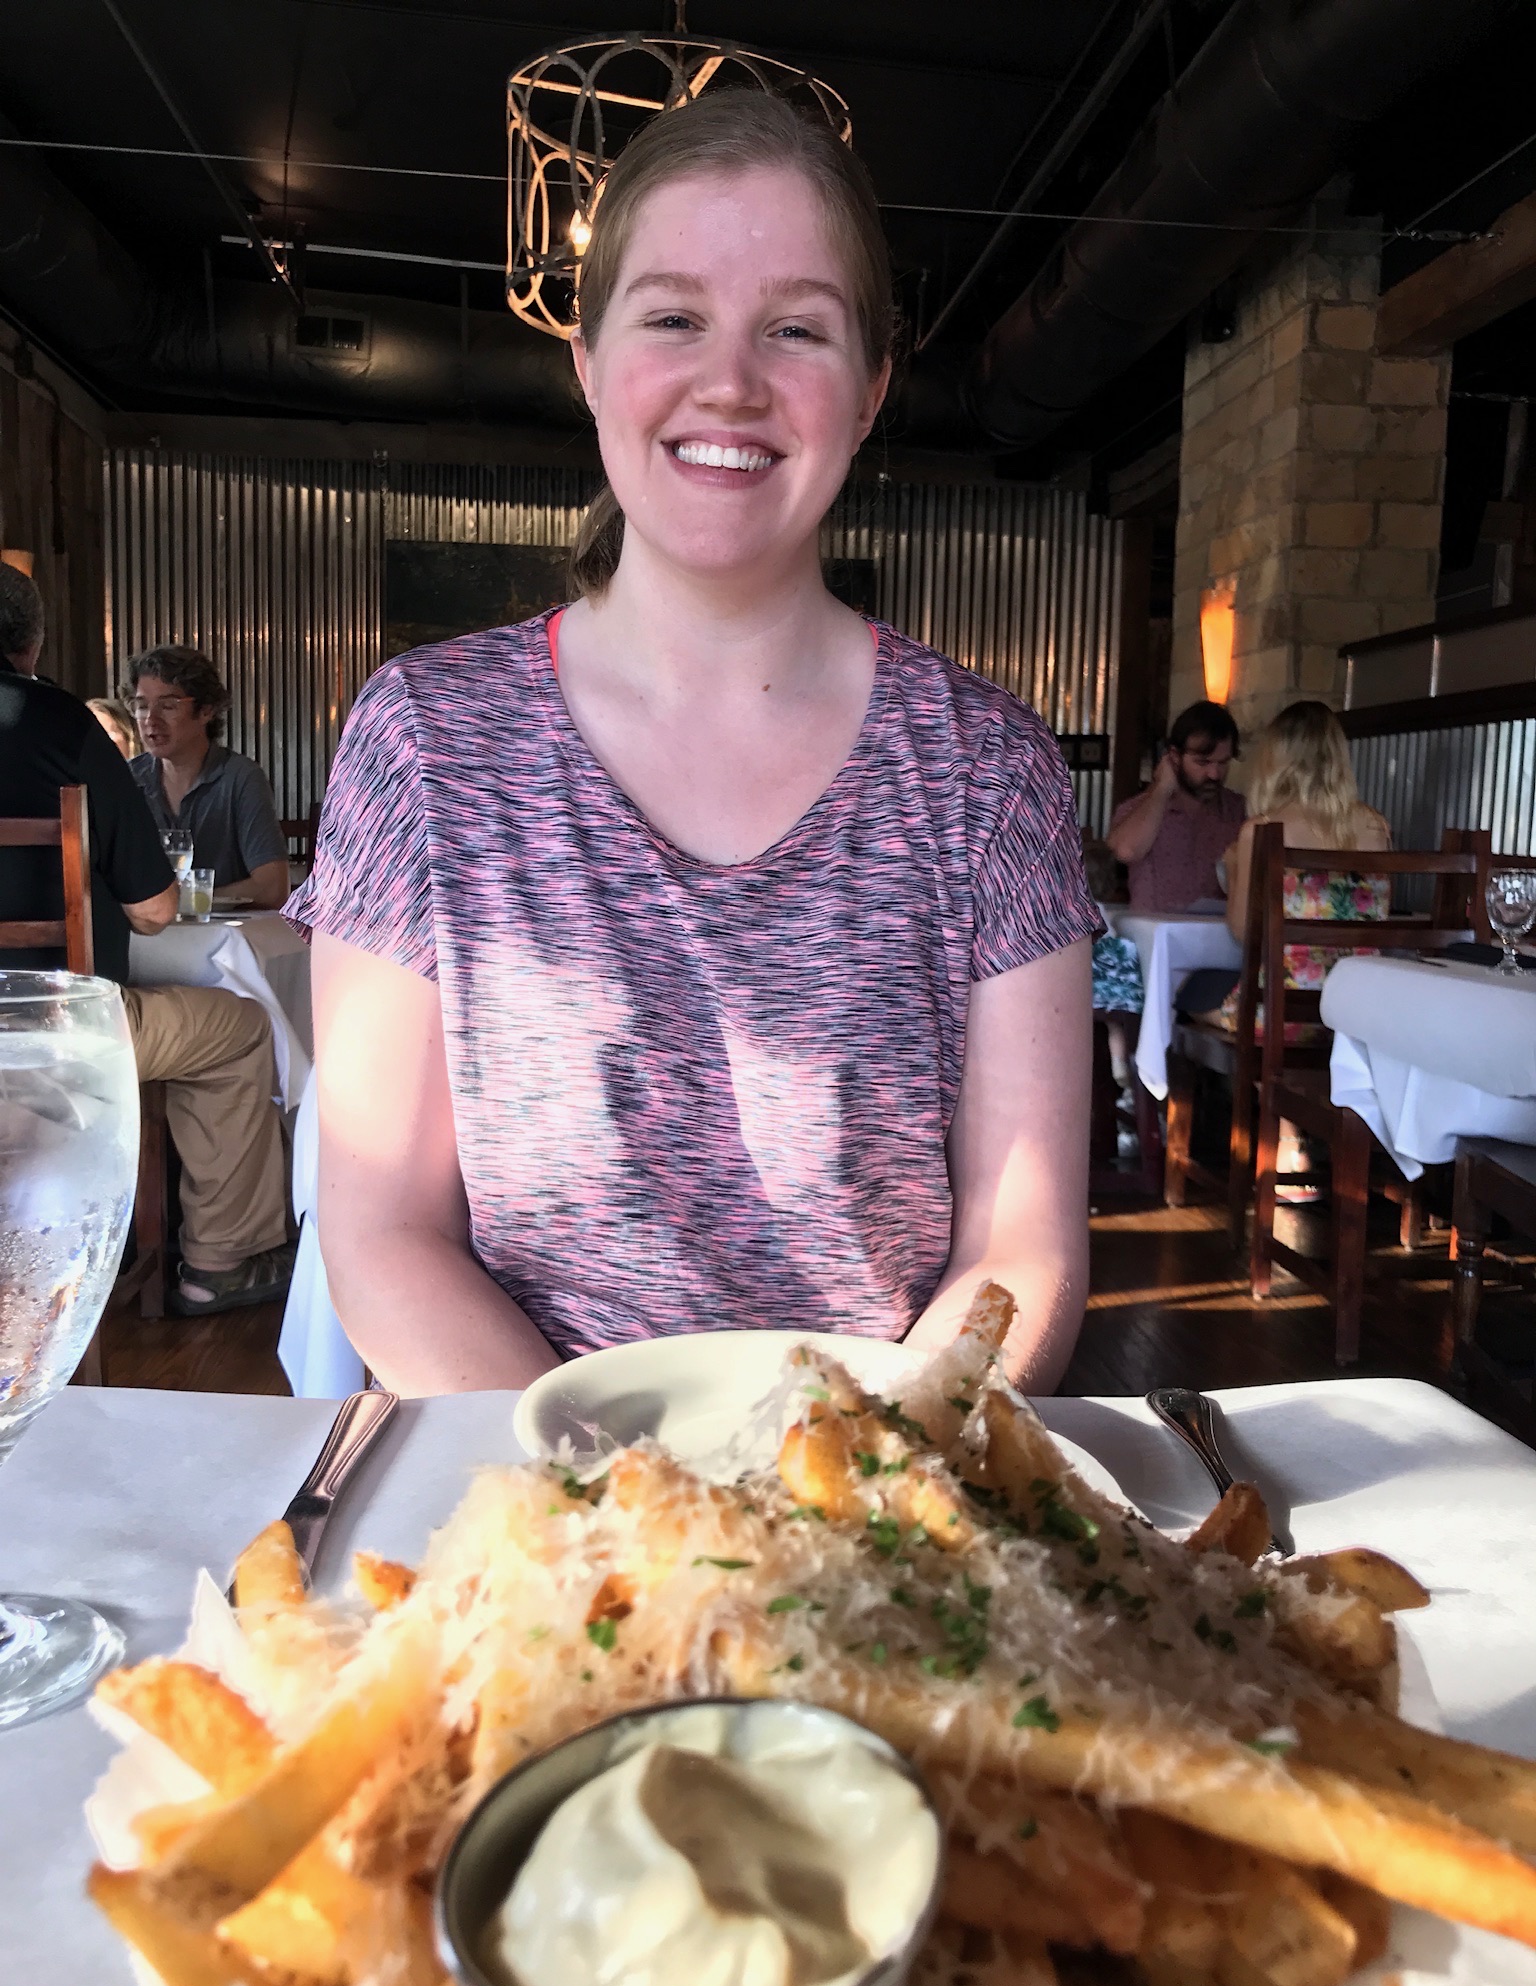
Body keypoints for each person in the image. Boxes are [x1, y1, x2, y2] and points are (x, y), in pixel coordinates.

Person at [287, 90, 1100, 1398]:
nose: (731, 382)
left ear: (872, 389)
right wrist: (615, 1491)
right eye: (673, 317)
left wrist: (867, 1479)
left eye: (797, 328)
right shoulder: (427, 739)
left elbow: (1020, 1247)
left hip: (879, 1484)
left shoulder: (988, 770)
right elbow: (385, 1232)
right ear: (589, 362)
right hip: (522, 1473)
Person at [0, 564, 291, 1314]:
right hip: (48, 1032)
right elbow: (157, 911)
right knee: (241, 1031)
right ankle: (219, 1260)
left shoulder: (237, 777)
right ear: (31, 644)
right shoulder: (59, 724)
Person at [1187, 699, 1391, 1197]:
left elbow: (1243, 933)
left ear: (1277, 759)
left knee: (1197, 996)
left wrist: (1237, 867)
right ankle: (1327, 1133)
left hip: (1284, 1015)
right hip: (1356, 1012)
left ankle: (1288, 1135)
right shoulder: (1376, 827)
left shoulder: (1261, 830)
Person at [127, 645, 290, 909]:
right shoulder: (129, 779)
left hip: (222, 932)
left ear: (206, 710)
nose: (151, 720)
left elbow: (273, 888)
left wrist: (187, 902)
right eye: (142, 706)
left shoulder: (240, 778)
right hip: (147, 932)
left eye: (167, 706)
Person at [1106, 701, 1245, 911]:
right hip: (1154, 930)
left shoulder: (1238, 811)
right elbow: (1125, 851)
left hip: (1218, 930)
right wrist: (1161, 788)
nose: (1214, 774)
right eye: (1203, 762)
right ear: (1175, 757)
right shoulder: (1138, 809)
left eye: (1223, 763)